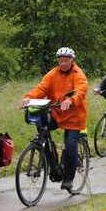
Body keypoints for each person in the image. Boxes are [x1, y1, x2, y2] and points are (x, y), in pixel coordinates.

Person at [21, 47, 88, 192]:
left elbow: (81, 89)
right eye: (60, 60)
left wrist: (71, 100)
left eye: (66, 60)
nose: (63, 62)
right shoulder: (53, 74)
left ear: (72, 60)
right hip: (57, 113)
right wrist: (28, 98)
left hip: (74, 116)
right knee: (42, 128)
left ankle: (68, 179)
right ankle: (51, 159)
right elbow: (41, 88)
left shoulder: (78, 74)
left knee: (70, 147)